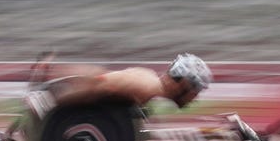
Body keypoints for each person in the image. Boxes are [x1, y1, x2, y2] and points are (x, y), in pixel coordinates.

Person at [42, 52, 212, 113]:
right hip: (67, 96)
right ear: (183, 84)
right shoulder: (146, 88)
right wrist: (52, 102)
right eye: (195, 91)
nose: (194, 98)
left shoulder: (149, 80)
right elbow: (99, 83)